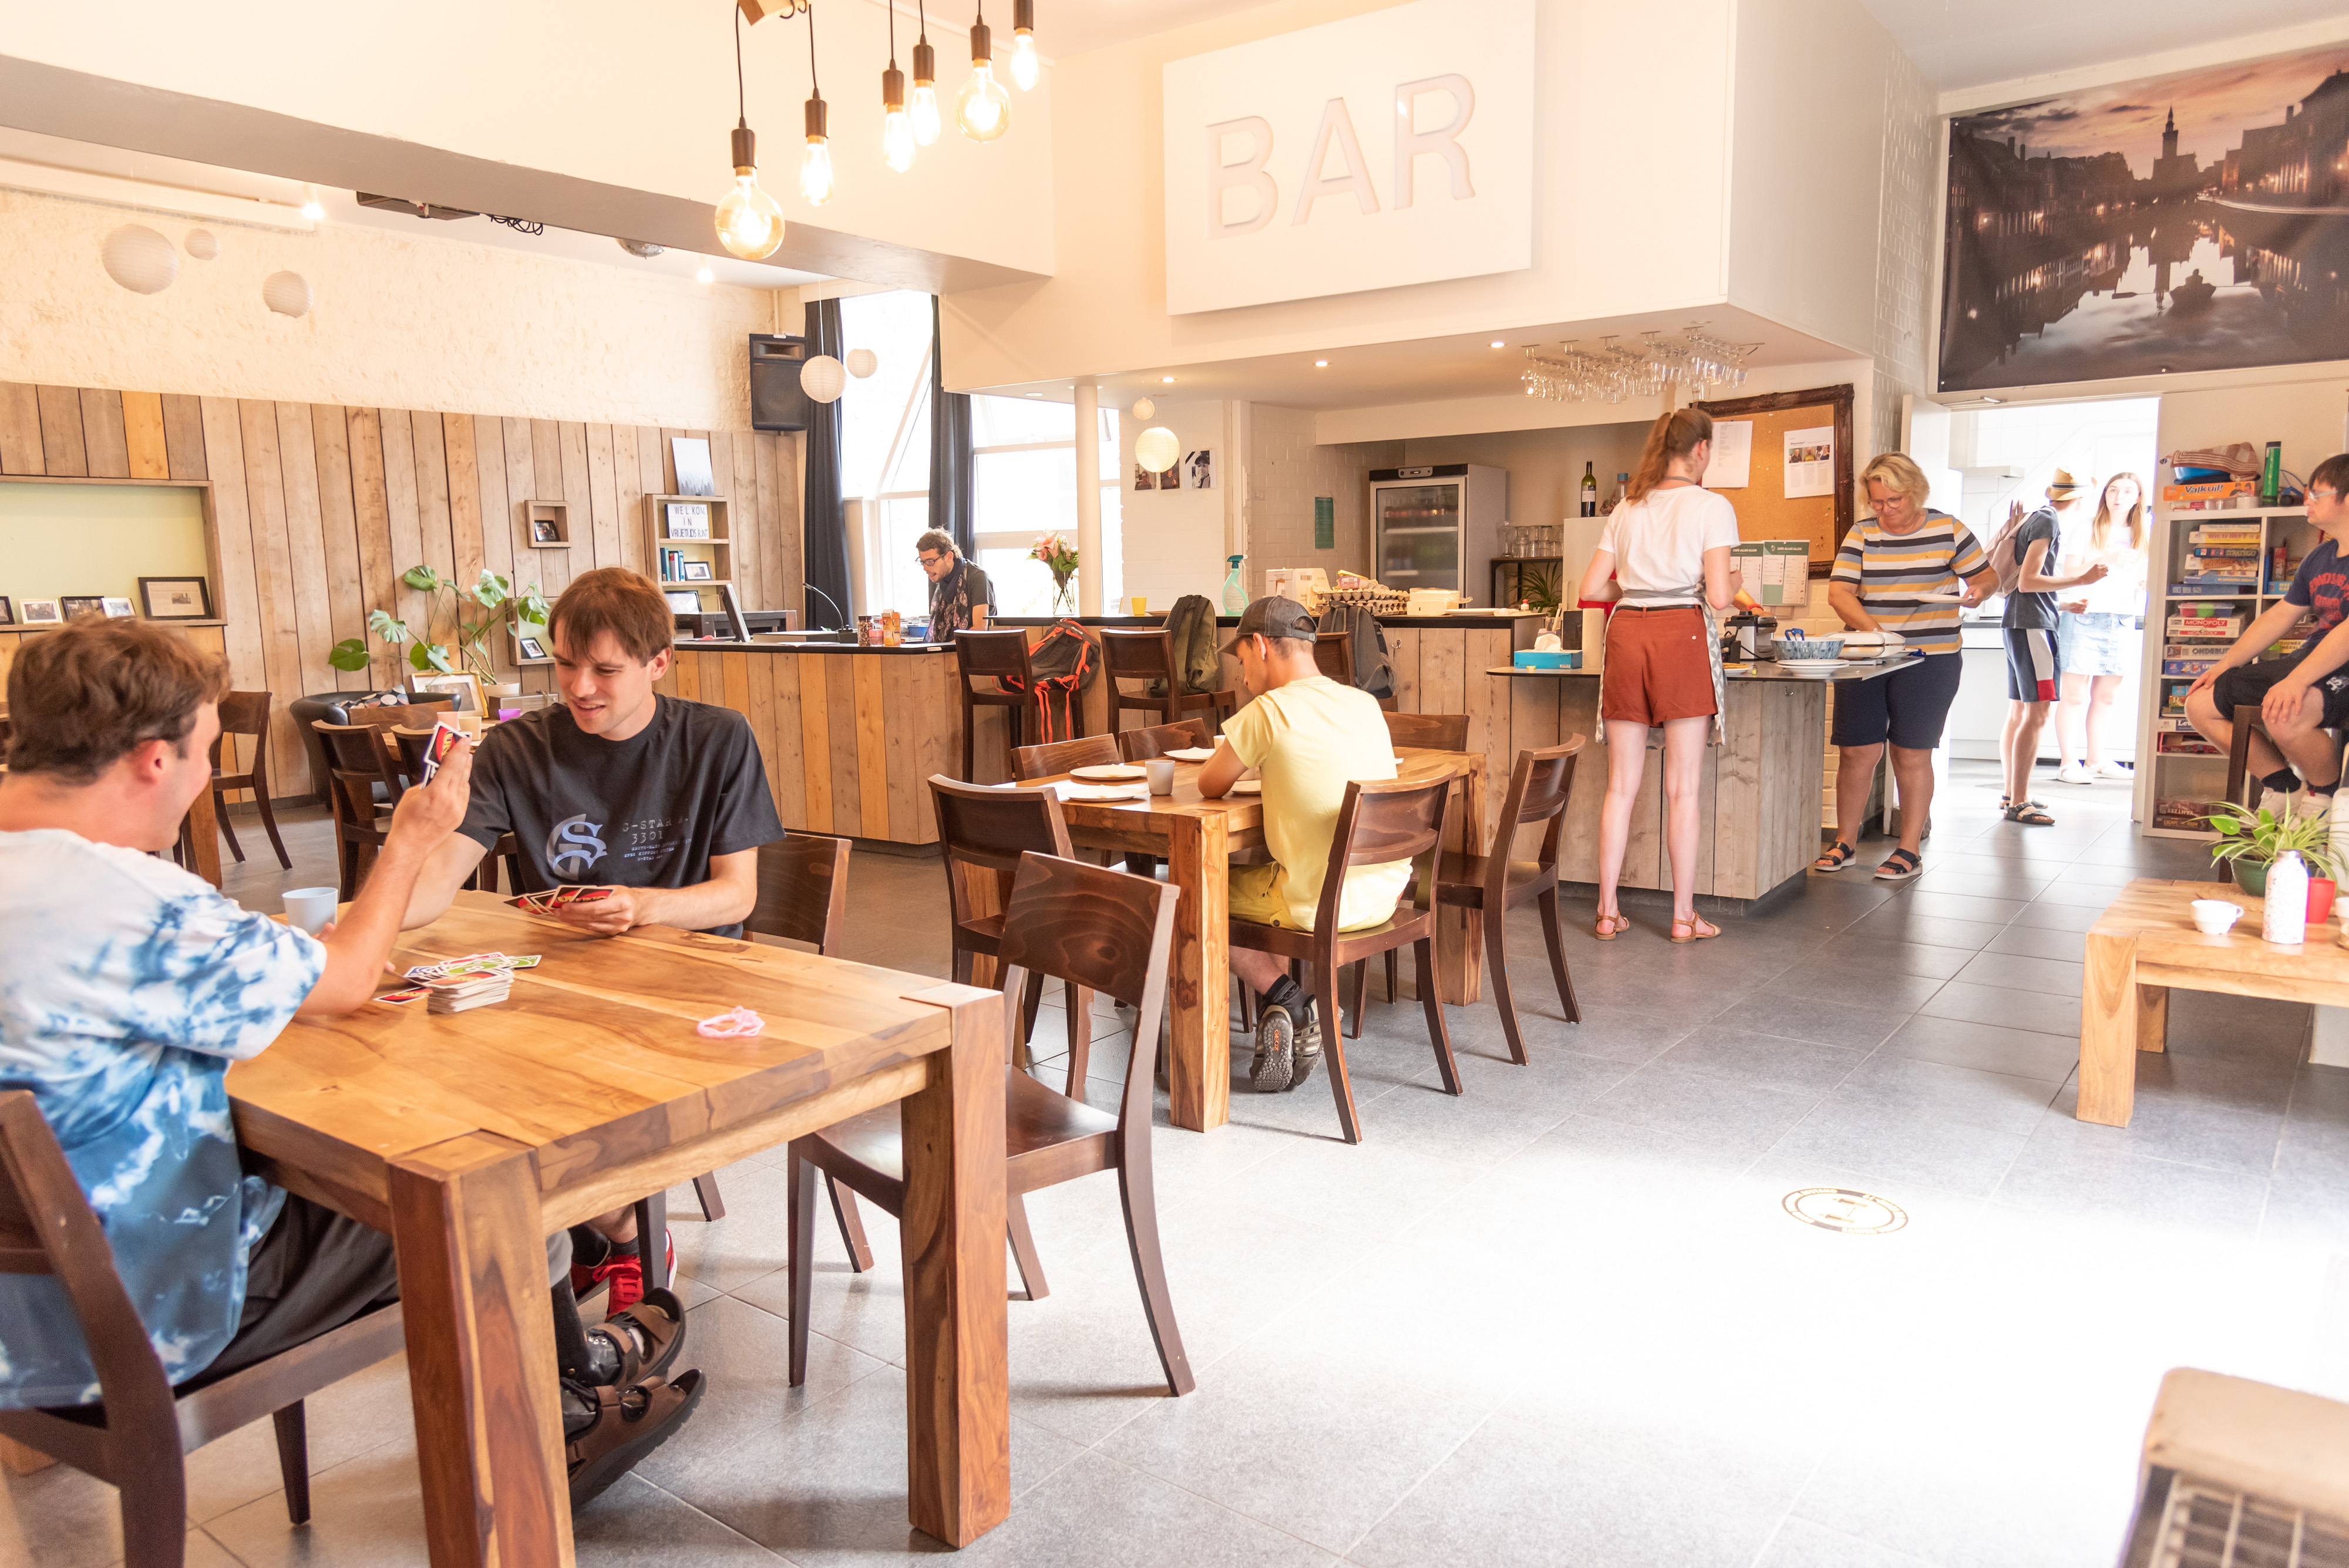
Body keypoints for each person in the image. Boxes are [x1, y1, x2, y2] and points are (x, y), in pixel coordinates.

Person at [0, 617, 699, 1508]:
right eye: (204, 754)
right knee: (493, 1192)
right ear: (150, 760)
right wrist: (406, 842)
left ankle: (579, 1366)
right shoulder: (138, 906)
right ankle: (565, 1426)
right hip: (136, 1318)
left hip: (19, 1320)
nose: (206, 777)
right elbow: (346, 978)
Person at [402, 566, 784, 1313]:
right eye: (565, 664)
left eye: (605, 670)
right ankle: (604, 1228)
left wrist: (642, 907)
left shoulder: (716, 739)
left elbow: (737, 896)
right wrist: (371, 905)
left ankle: (614, 1233)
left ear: (658, 664)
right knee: (455, 1079)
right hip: (564, 978)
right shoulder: (518, 751)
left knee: (550, 1086)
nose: (580, 687)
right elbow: (437, 881)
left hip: (693, 982)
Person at [1198, 595, 1405, 1093]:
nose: (1243, 673)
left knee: (1193, 894)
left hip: (1318, 903)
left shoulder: (1268, 711)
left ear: (1262, 646)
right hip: (1383, 894)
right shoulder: (1364, 703)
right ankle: (1283, 1006)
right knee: (1266, 877)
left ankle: (1286, 996)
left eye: (1242, 658)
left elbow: (1209, 784)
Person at [1576, 406, 1739, 941]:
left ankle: (1605, 911)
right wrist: (1733, 576)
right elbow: (1718, 597)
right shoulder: (1712, 507)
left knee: (1620, 786)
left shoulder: (1628, 507)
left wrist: (1638, 589)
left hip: (1627, 634)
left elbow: (1592, 588)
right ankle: (1683, 916)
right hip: (1680, 633)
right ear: (1701, 451)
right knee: (1682, 788)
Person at [1818, 454, 2000, 880]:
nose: (1885, 510)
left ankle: (1908, 848)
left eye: (1893, 500)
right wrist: (1877, 633)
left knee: (1911, 752)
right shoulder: (1862, 534)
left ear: (1916, 492)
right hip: (1867, 655)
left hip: (1929, 659)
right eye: (1877, 502)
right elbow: (1840, 593)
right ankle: (1845, 841)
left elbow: (1989, 578)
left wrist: (1978, 591)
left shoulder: (1948, 530)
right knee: (1856, 750)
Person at [2185, 453, 2349, 817]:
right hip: (2311, 661)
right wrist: (2226, 664)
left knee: (2285, 712)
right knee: (2200, 703)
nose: (2307, 499)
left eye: (2317, 493)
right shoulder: (2320, 557)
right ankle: (2282, 786)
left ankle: (2323, 797)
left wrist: (2296, 681)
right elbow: (2280, 617)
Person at [1997, 470, 2108, 825]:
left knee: (2019, 713)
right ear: (2082, 497)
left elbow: (2023, 587)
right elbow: (2030, 581)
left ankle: (2013, 794)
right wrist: (2082, 579)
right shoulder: (2049, 520)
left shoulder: (2035, 516)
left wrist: (2062, 604)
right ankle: (2019, 802)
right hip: (2033, 630)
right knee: (2038, 713)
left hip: (2018, 624)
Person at [2052, 472, 2149, 784]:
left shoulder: (2143, 532)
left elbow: (2142, 576)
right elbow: (2069, 573)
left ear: (2138, 497)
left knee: (2106, 696)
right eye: (2113, 490)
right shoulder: (2087, 528)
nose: (2119, 497)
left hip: (2121, 619)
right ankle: (2069, 762)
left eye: (2127, 491)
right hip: (2084, 616)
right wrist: (2104, 559)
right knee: (2074, 696)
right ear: (2105, 495)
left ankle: (2096, 759)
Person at [918, 529, 992, 637]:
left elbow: (980, 629)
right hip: (948, 652)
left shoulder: (978, 577)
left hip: (974, 652)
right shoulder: (943, 580)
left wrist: (945, 649)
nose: (925, 568)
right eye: (922, 562)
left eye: (930, 562)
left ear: (949, 557)